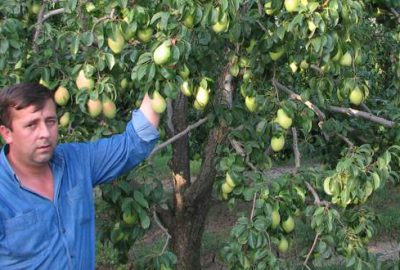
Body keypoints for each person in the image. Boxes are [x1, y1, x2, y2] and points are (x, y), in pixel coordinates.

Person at [0, 82, 160, 269]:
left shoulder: (76, 161)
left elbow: (133, 143)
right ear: (7, 133)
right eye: (31, 125)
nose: (44, 133)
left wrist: (160, 76)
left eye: (50, 121)